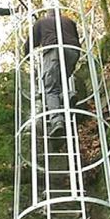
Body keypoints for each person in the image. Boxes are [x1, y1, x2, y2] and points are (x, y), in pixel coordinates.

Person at [25, 9, 81, 137]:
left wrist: (27, 54)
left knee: (50, 89)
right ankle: (68, 95)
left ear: (47, 15)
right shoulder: (69, 21)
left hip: (53, 50)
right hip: (72, 51)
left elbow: (31, 41)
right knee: (62, 79)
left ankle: (57, 122)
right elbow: (76, 38)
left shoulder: (42, 22)